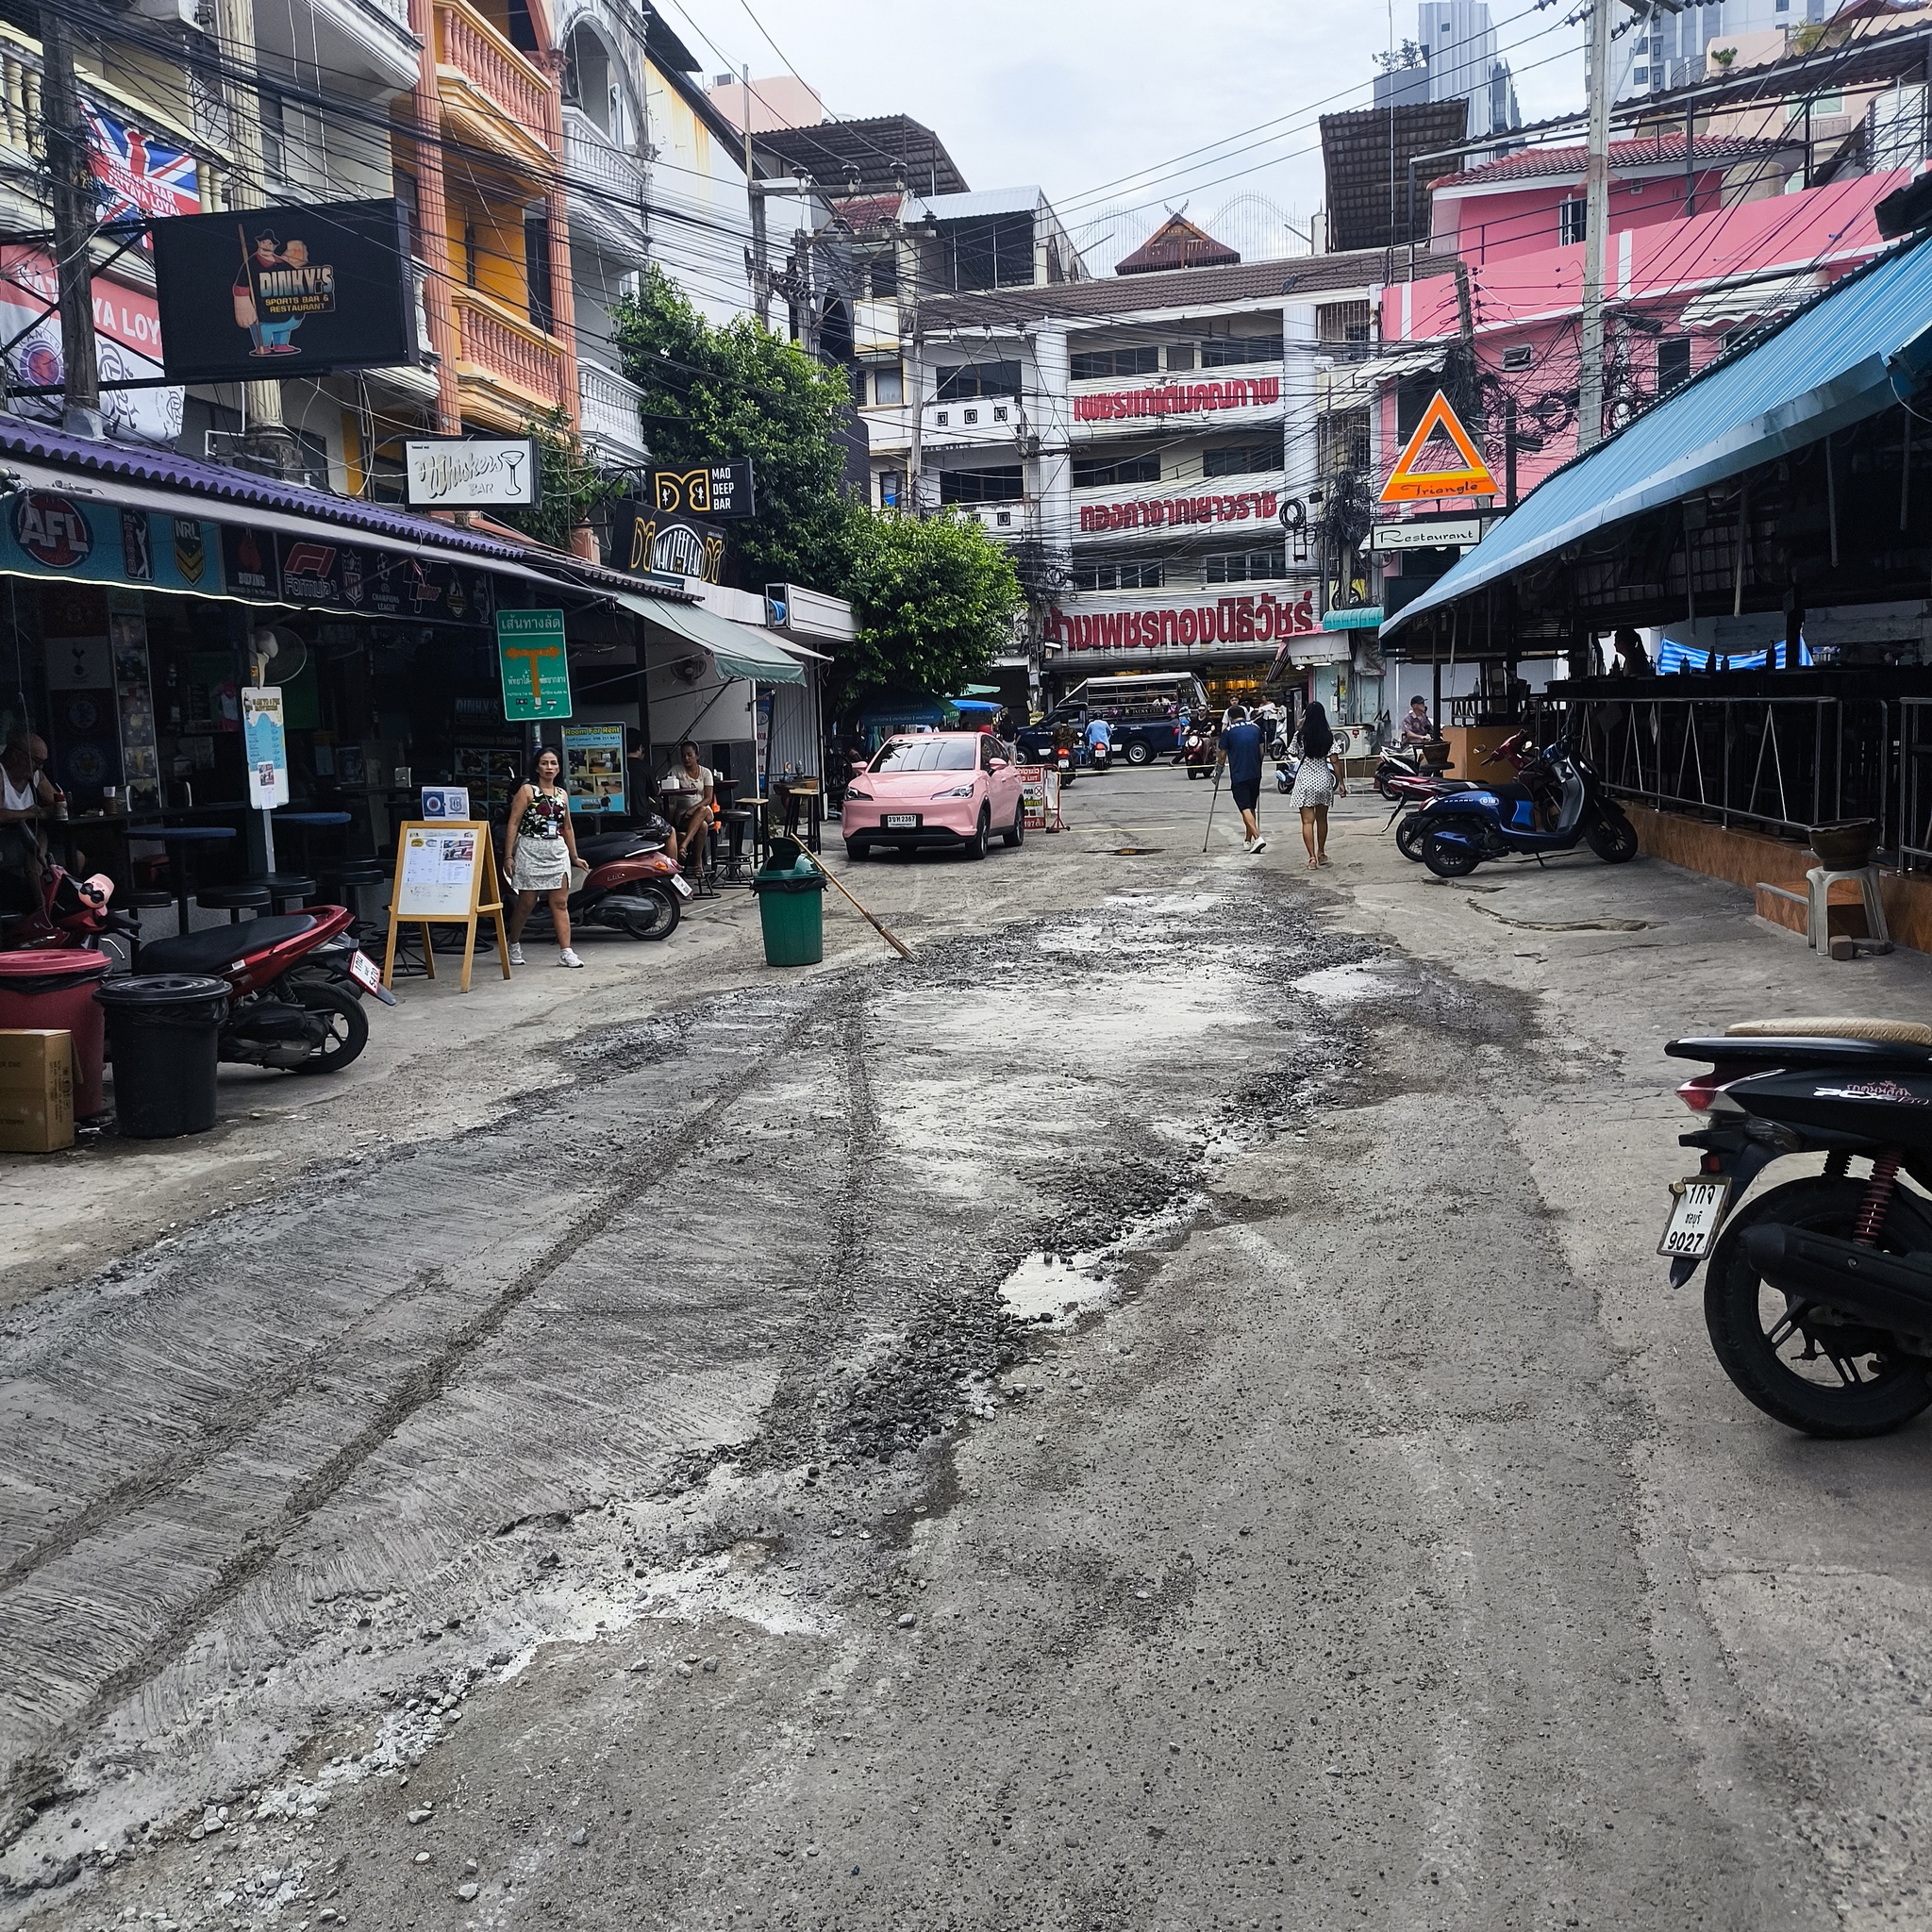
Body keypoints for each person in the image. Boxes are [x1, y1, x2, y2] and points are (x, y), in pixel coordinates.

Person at [503, 745, 583, 968]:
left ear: (559, 768)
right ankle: (514, 942)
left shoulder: (562, 794)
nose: (549, 767)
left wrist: (574, 856)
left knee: (559, 902)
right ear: (537, 767)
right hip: (530, 849)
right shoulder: (527, 791)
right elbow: (514, 823)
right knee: (527, 902)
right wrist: (508, 856)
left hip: (556, 851)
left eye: (554, 763)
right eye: (545, 763)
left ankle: (566, 951)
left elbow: (567, 827)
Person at [0, 731, 56, 913]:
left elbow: (56, 803)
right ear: (16, 755)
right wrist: (28, 813)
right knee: (36, 844)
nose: (38, 767)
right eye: (36, 761)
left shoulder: (36, 776)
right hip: (6, 843)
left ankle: (47, 907)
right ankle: (44, 908)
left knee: (75, 858)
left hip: (30, 840)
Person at [1289, 700, 1347, 869]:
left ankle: (1312, 858)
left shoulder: (1300, 736)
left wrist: (1299, 728)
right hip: (1323, 779)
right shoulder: (1328, 736)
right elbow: (1335, 761)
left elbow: (1293, 753)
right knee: (1322, 819)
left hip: (1305, 779)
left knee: (1307, 822)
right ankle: (1321, 853)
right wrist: (1341, 783)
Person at [659, 740, 716, 877]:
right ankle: (697, 864)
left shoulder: (706, 773)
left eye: (690, 755)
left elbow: (708, 798)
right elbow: (664, 784)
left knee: (702, 811)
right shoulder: (676, 771)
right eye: (683, 755)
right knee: (702, 826)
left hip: (704, 811)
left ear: (697, 756)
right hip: (684, 815)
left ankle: (683, 845)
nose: (686, 758)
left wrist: (694, 809)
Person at [1216, 704, 1268, 855]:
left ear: (1230, 718)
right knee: (1251, 806)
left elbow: (1222, 755)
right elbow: (1262, 751)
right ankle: (1248, 839)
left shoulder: (1228, 732)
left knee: (1244, 806)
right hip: (1255, 772)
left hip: (1239, 774)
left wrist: (1218, 771)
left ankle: (1257, 837)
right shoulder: (1255, 728)